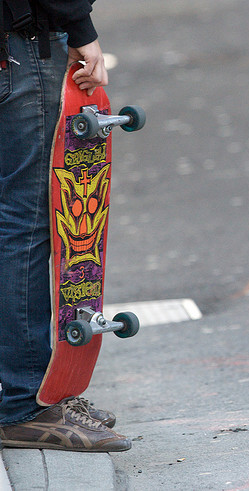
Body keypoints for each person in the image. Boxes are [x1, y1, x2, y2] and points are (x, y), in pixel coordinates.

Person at [0, 0, 130, 451]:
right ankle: (24, 404)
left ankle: (23, 393)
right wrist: (79, 26)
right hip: (20, 42)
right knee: (28, 219)